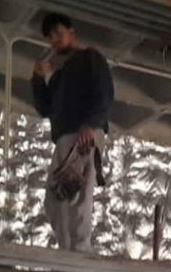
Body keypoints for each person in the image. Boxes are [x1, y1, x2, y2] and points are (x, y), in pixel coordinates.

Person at [31, 13, 114, 252]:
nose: (54, 41)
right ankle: (68, 251)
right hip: (64, 138)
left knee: (78, 197)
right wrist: (38, 79)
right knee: (55, 199)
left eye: (58, 33)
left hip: (84, 135)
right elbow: (44, 107)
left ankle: (80, 251)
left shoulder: (91, 58)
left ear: (72, 33)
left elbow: (104, 94)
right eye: (50, 38)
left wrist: (90, 124)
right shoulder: (60, 75)